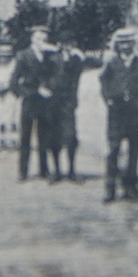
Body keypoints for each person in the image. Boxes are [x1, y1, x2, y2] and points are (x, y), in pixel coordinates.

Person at [100, 28, 138, 203]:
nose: (125, 46)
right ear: (117, 45)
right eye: (122, 43)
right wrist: (109, 99)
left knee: (134, 151)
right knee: (113, 150)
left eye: (129, 43)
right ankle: (110, 188)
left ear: (134, 44)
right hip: (117, 113)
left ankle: (130, 187)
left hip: (136, 113)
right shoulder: (111, 64)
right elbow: (104, 83)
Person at [10, 27, 59, 181]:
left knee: (44, 136)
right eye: (39, 39)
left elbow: (56, 74)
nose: (42, 42)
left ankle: (43, 170)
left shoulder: (50, 56)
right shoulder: (23, 55)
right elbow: (14, 82)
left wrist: (49, 88)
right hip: (30, 101)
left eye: (44, 40)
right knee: (25, 137)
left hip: (45, 103)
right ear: (32, 39)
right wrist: (27, 93)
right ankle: (23, 171)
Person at [47, 38, 87, 182]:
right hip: (53, 102)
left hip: (68, 102)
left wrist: (80, 56)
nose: (68, 46)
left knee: (71, 137)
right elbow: (45, 76)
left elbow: (84, 68)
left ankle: (71, 171)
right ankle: (56, 171)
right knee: (54, 137)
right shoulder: (52, 58)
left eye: (71, 43)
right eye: (65, 43)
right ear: (60, 45)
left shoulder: (76, 59)